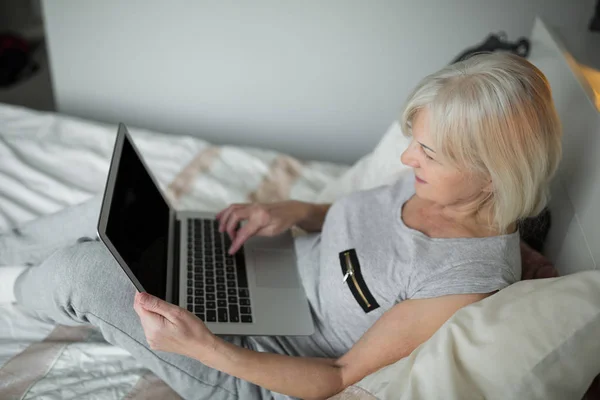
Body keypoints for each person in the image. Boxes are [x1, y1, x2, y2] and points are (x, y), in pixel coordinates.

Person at [0, 52, 562, 400]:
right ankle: (7, 251)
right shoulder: (441, 185)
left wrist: (204, 349)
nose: (407, 159)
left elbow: (338, 376)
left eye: (429, 152)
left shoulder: (461, 282)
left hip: (256, 358)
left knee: (84, 269)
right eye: (413, 140)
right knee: (105, 212)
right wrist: (296, 211)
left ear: (493, 173)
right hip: (261, 268)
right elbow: (363, 231)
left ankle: (13, 293)